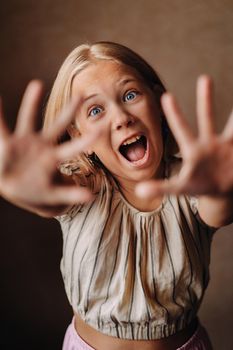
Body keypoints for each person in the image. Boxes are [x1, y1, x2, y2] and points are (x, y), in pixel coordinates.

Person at [0, 41, 232, 350]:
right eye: (95, 110)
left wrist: (224, 189)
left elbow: (220, 208)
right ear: (78, 134)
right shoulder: (84, 186)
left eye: (131, 95)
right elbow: (50, 195)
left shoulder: (191, 183)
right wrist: (24, 186)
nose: (122, 117)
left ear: (159, 104)